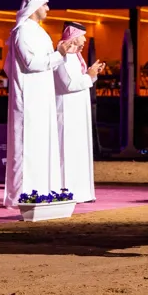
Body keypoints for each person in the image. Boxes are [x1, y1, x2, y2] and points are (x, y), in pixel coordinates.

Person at [3, 0, 81, 208]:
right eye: (45, 5)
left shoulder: (40, 32)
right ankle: (20, 197)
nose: (48, 9)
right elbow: (30, 63)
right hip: (28, 101)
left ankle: (41, 192)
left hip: (42, 99)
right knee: (26, 147)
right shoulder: (22, 32)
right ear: (34, 6)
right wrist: (59, 54)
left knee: (41, 147)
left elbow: (47, 62)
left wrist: (61, 53)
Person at [54, 22, 104, 203]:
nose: (84, 40)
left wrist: (92, 74)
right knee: (66, 153)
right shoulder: (62, 57)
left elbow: (81, 82)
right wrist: (89, 75)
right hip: (66, 113)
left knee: (78, 152)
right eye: (82, 36)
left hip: (77, 113)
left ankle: (81, 192)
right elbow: (69, 84)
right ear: (74, 37)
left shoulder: (75, 57)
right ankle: (66, 192)